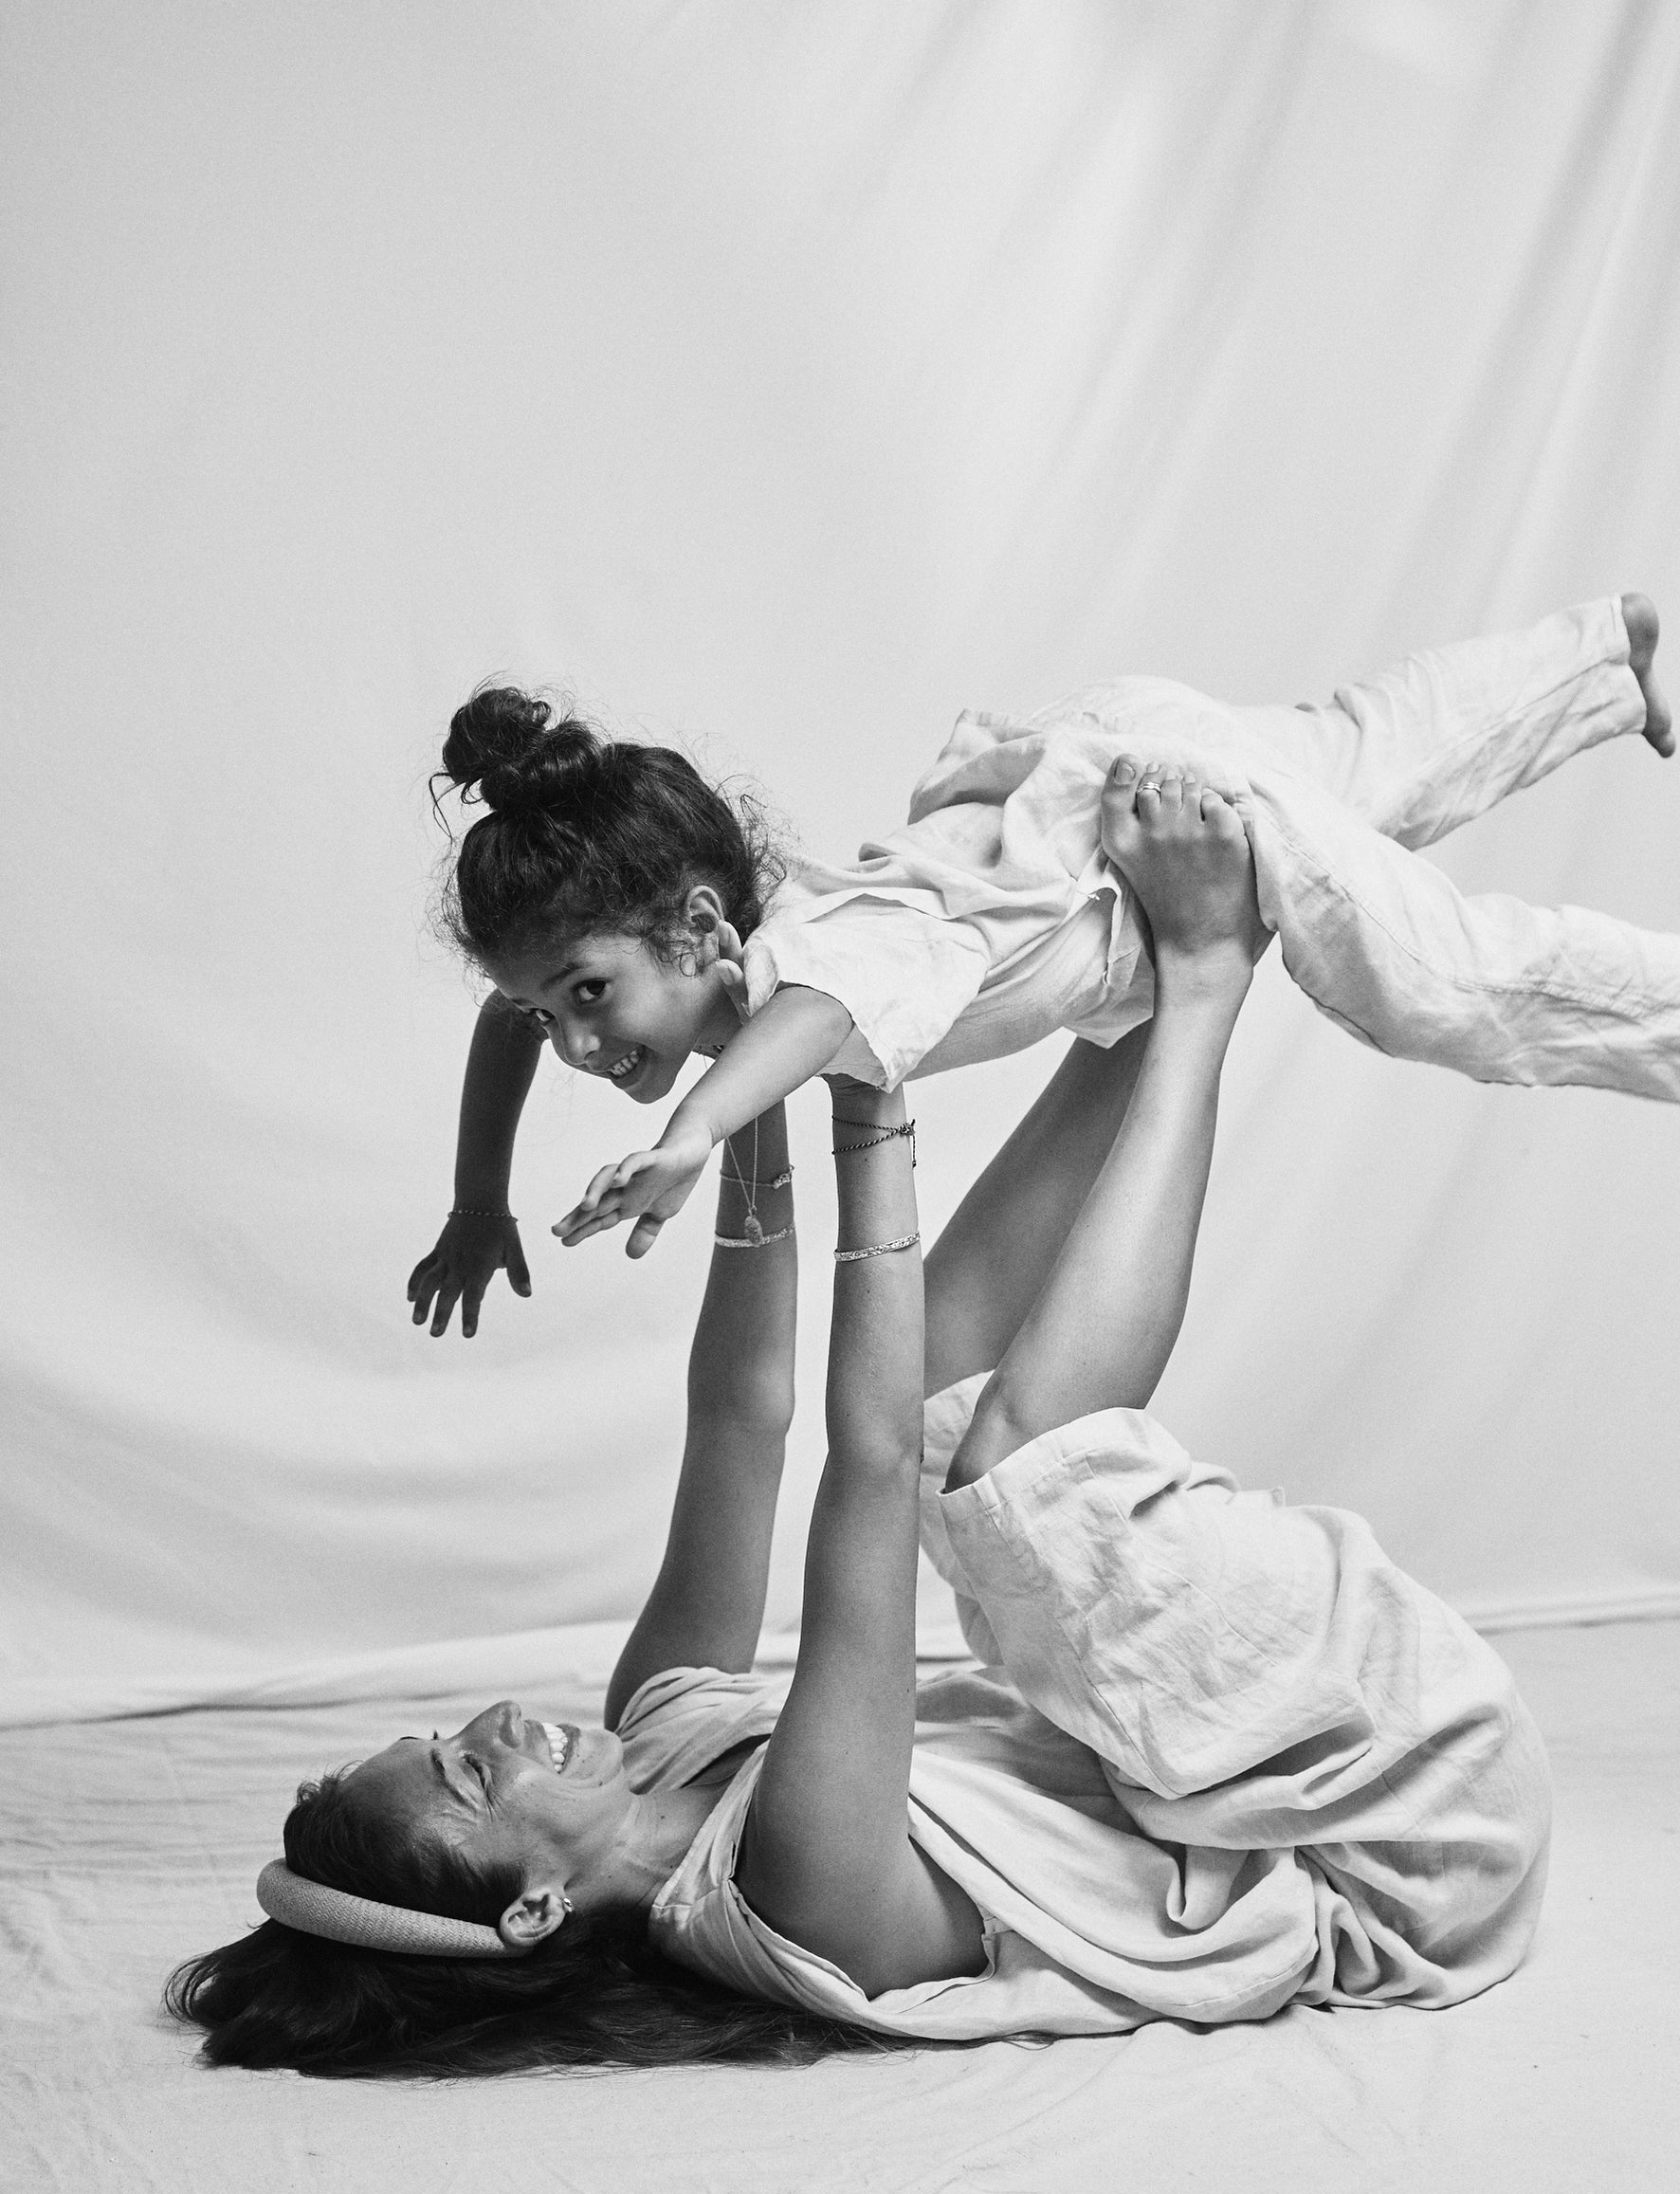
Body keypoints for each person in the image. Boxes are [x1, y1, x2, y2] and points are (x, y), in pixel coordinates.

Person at [174, 770, 1550, 2075]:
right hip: (1407, 1841)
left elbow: (742, 1427)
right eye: (472, 1775)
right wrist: (864, 1106)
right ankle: (1205, 978)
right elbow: (870, 1469)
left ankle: (1136, 996)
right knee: (1002, 1475)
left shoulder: (657, 1741)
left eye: (445, 1734)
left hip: (1258, 1777)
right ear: (529, 1911)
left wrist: (742, 1091)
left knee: (950, 1372)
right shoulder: (793, 1894)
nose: (491, 1721)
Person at [406, 594, 1680, 1338]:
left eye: (588, 997)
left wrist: (692, 1137)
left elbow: (809, 1020)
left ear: (701, 930)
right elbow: (505, 1028)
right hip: (1120, 765)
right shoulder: (714, 953)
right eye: (556, 1008)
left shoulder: (817, 959)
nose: (575, 1041)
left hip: (1159, 824)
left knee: (1436, 985)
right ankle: (1590, 656)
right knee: (1368, 755)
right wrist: (480, 1197)